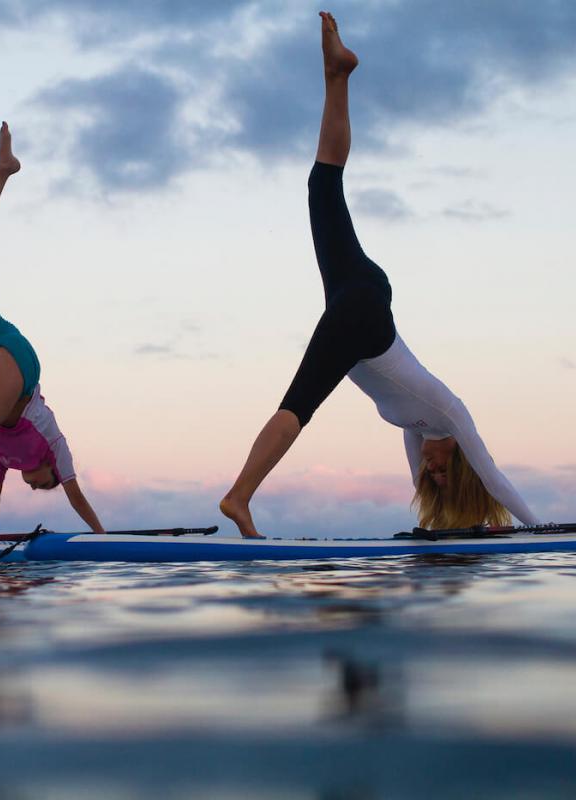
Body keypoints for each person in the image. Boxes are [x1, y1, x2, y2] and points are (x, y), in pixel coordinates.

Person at [220, 11, 539, 538]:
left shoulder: (416, 432)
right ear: (459, 460)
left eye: (432, 475)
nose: (431, 470)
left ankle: (336, 76)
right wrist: (540, 532)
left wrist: (433, 527)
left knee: (322, 188)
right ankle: (239, 497)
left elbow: (416, 476)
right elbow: (496, 477)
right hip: (364, 317)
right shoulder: (452, 414)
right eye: (443, 470)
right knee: (297, 406)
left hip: (357, 297)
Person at [0, 123, 104, 538]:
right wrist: (103, 538)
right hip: (17, 363)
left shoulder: (6, 460)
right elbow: (77, 497)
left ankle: (3, 169)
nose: (35, 485)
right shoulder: (54, 444)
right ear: (51, 469)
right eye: (46, 483)